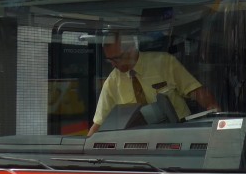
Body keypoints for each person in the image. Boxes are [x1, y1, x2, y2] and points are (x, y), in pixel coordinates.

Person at [88, 32, 218, 135]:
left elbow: (196, 91)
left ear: (132, 49)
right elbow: (99, 123)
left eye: (117, 58)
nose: (113, 64)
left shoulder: (164, 62)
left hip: (180, 135)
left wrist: (215, 112)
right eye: (109, 60)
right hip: (141, 145)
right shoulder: (112, 82)